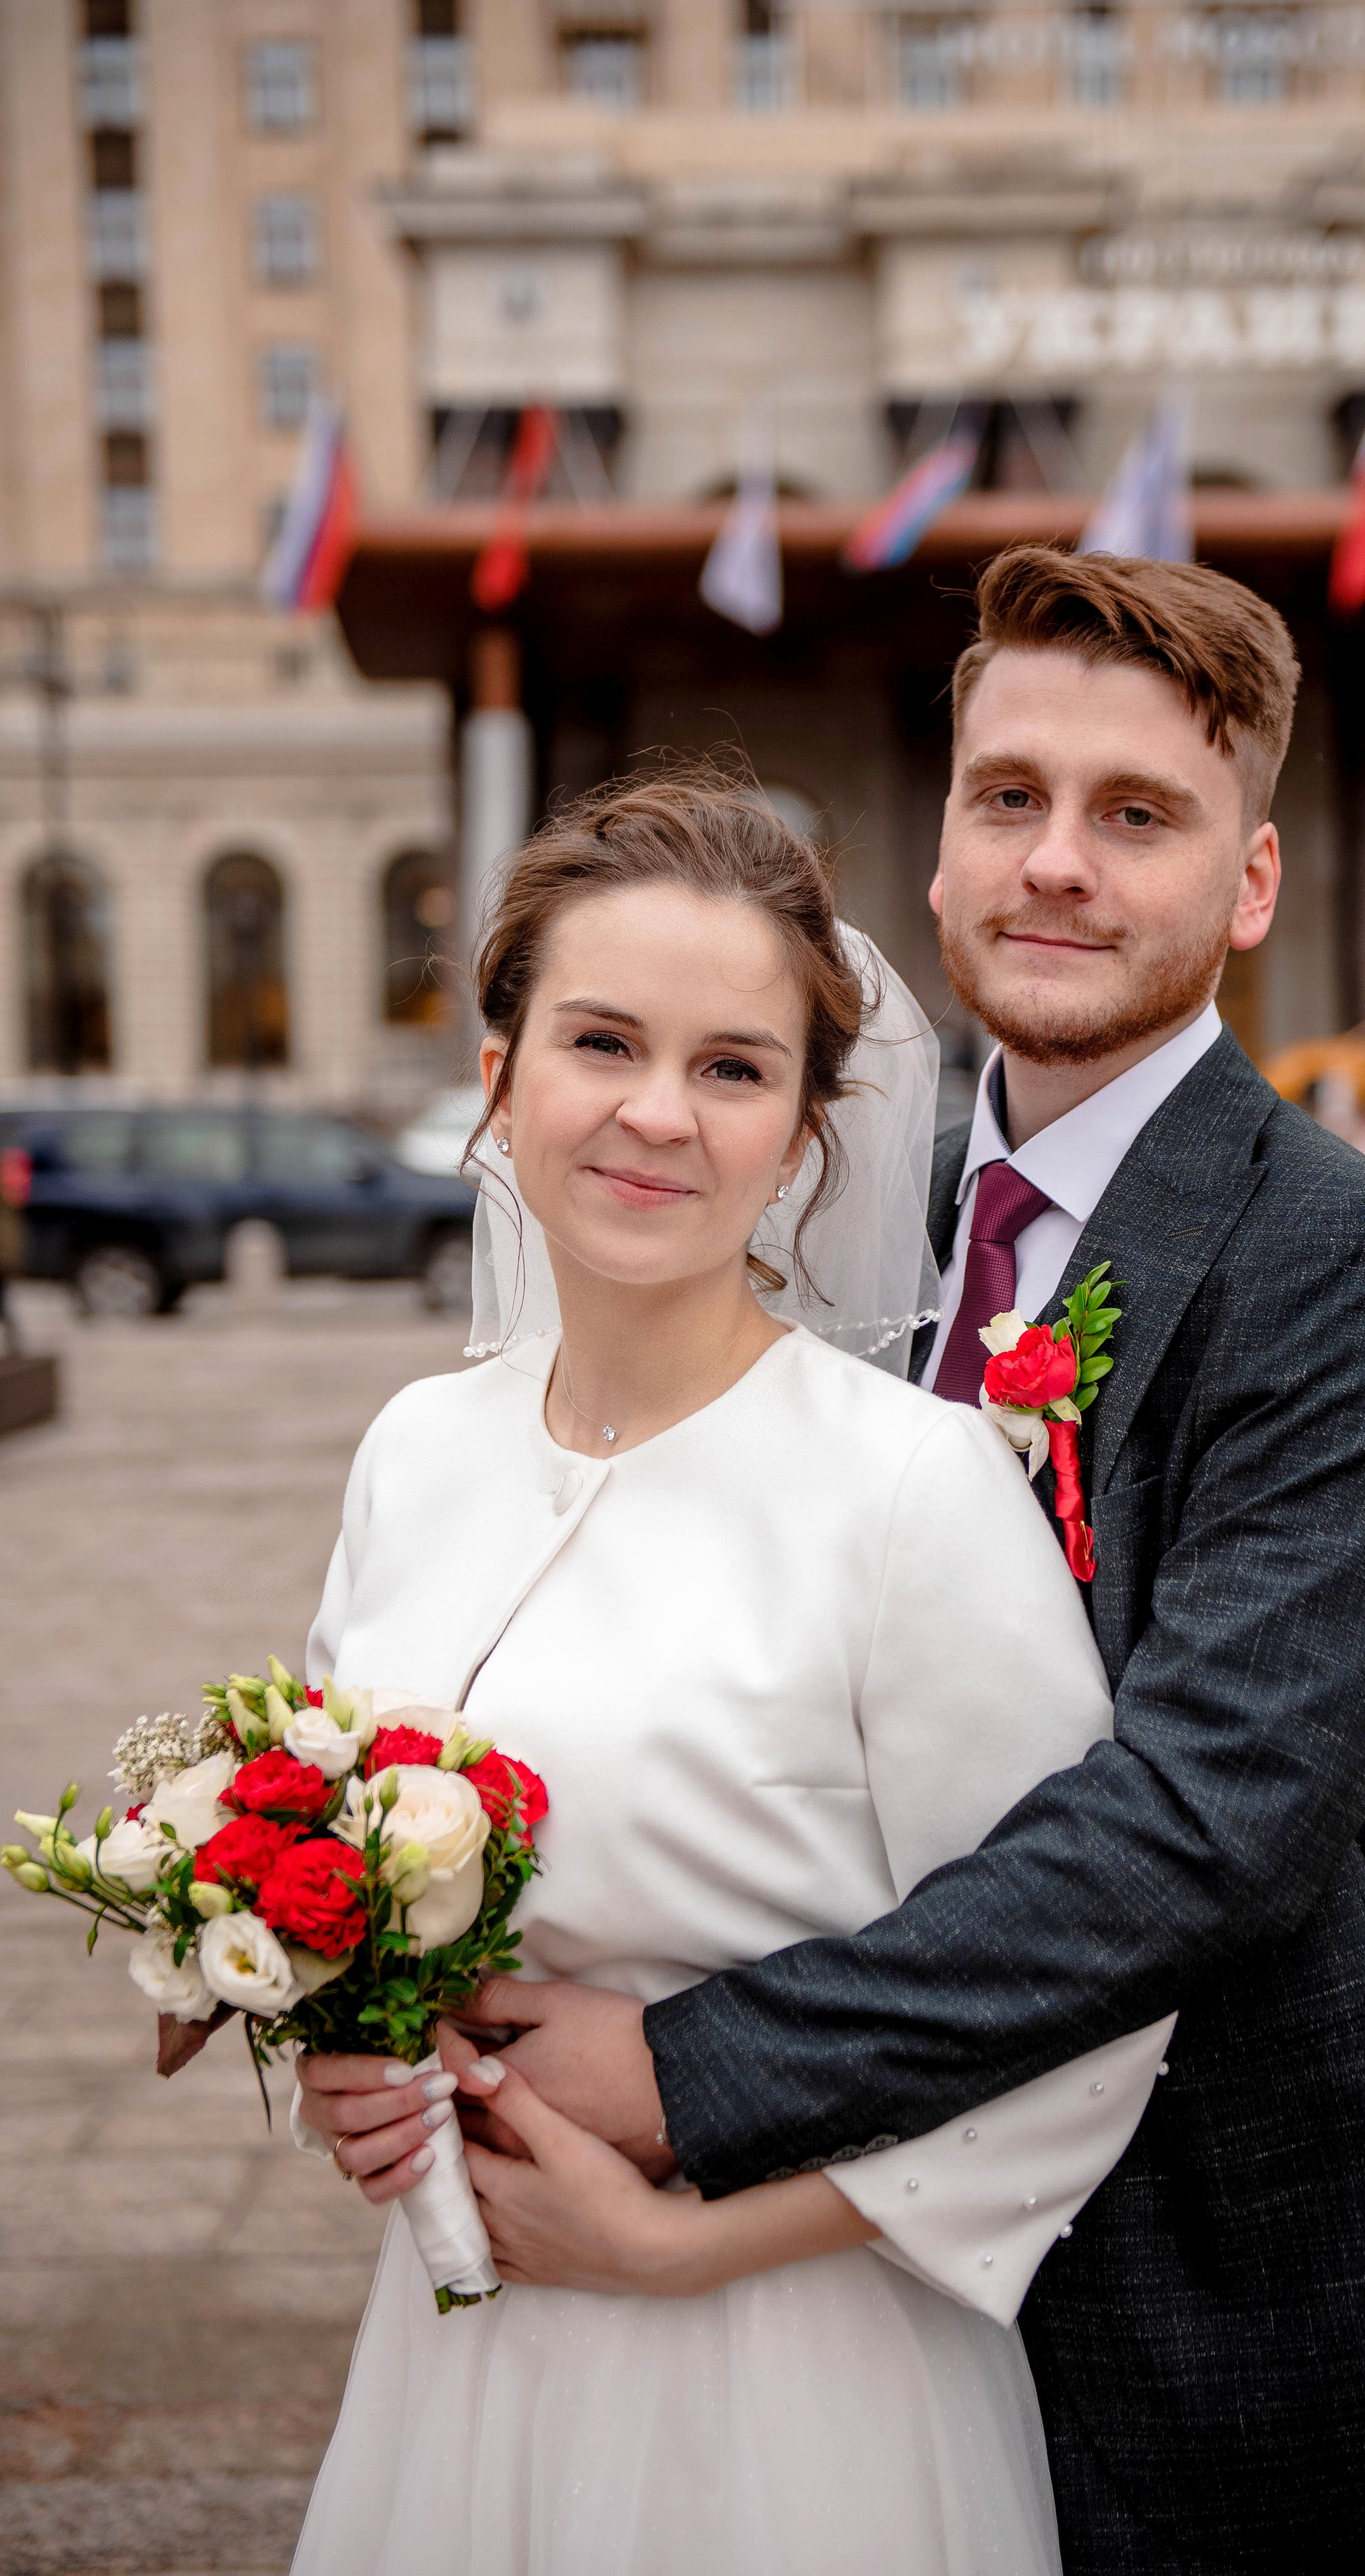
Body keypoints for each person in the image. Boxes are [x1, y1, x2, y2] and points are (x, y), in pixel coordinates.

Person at [405, 548, 1365, 2571]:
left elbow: (1204, 1824)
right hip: (823, 2287)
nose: (1057, 861)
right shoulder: (812, 1203)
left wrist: (686, 2070)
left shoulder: (1356, 1268)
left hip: (1205, 2284)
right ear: (942, 842)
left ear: (1249, 883)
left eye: (1137, 814)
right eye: (1012, 797)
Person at [289, 775, 1177, 2575]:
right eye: (600, 1040)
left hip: (797, 2384)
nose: (654, 1115)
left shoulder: (909, 1486)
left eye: (732, 1066)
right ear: (499, 1070)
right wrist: (341, 2049)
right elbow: (338, 1851)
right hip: (464, 2353)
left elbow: (1083, 1995)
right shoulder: (414, 1447)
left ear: (806, 1128)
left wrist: (688, 2245)